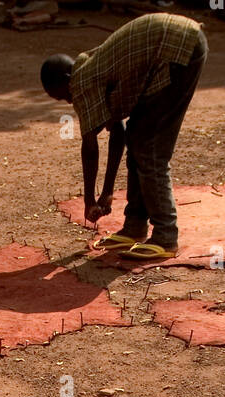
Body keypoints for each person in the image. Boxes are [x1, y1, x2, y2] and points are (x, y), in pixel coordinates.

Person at [41, 13, 208, 261]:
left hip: (177, 50)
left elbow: (90, 147)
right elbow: (118, 133)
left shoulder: (82, 81)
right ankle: (135, 225)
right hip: (181, 44)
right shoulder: (91, 65)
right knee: (138, 137)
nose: (68, 101)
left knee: (149, 148)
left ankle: (165, 235)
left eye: (62, 96)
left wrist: (89, 200)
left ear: (67, 80)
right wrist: (107, 192)